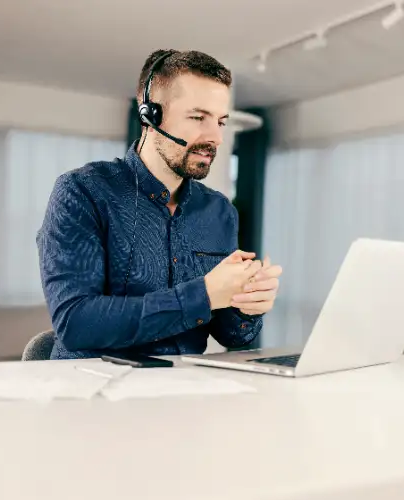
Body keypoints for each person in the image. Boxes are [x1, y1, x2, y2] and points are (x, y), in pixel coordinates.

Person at [36, 49, 282, 360]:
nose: (216, 137)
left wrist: (247, 307)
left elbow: (230, 333)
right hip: (95, 394)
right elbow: (75, 323)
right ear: (150, 117)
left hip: (185, 392)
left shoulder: (220, 211)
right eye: (197, 117)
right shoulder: (82, 192)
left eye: (220, 121)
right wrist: (203, 294)